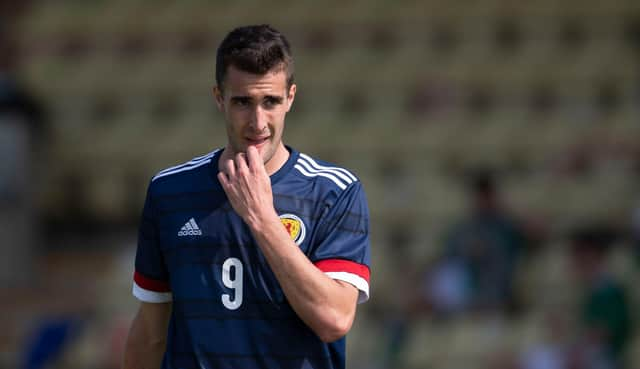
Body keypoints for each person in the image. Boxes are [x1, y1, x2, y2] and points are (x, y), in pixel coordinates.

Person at [122, 24, 371, 369]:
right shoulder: (170, 191)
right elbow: (151, 332)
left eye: (270, 101)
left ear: (291, 98)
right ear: (219, 98)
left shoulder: (334, 191)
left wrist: (263, 219)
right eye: (243, 102)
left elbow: (334, 319)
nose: (258, 121)